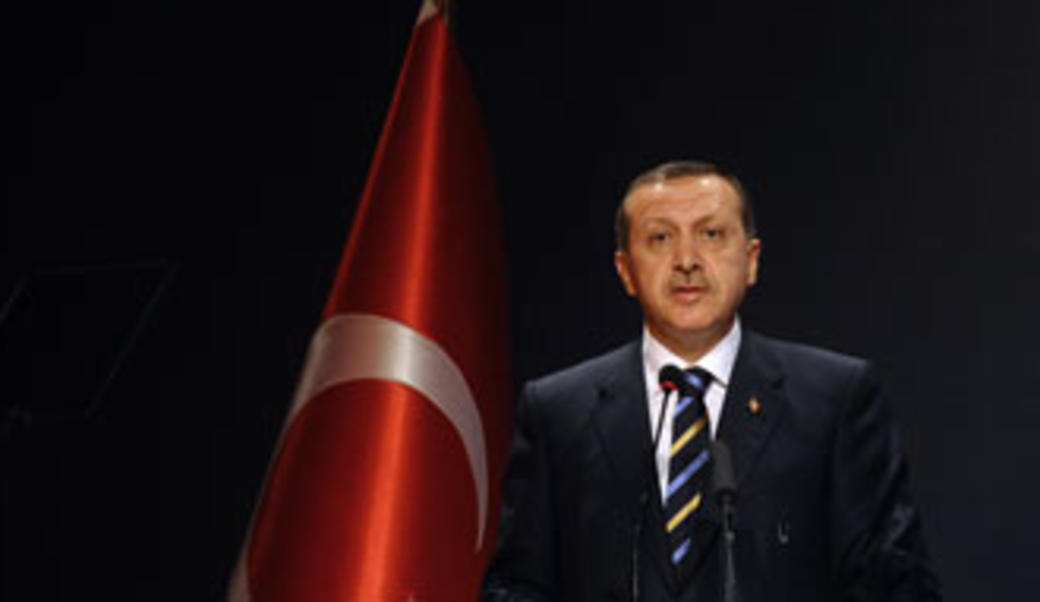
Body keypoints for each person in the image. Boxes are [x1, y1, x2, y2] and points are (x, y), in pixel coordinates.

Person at [480, 161, 940, 601]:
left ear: (751, 258)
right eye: (660, 237)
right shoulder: (559, 411)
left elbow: (896, 586)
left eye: (712, 234)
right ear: (625, 270)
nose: (687, 260)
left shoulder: (835, 400)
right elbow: (515, 588)